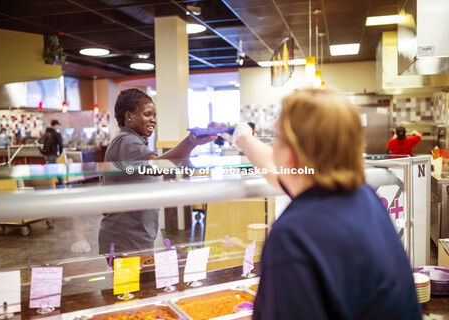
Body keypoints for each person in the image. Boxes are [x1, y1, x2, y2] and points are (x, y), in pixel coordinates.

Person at [224, 89, 421, 319]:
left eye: (276, 137)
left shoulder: (292, 238)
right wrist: (244, 139)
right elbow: (282, 171)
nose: (273, 146)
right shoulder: (365, 198)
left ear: (291, 154)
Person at [98, 88, 215, 256]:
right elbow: (157, 166)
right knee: (131, 283)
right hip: (125, 237)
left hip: (134, 235)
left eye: (154, 115)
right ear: (129, 116)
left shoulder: (133, 141)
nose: (153, 120)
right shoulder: (127, 141)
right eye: (147, 114)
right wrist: (190, 142)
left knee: (141, 282)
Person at [42, 119, 64, 185]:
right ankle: (58, 184)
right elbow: (61, 144)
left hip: (46, 154)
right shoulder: (56, 134)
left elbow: (43, 144)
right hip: (53, 154)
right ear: (55, 125)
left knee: (51, 168)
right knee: (54, 169)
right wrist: (60, 152)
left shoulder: (46, 133)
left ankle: (59, 183)